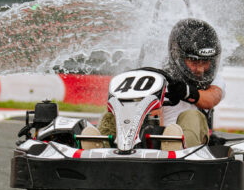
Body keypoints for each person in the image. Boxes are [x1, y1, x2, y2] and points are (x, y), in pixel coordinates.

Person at [83, 18, 225, 150]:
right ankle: (99, 146)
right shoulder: (159, 76)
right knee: (112, 116)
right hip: (154, 139)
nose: (200, 69)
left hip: (188, 143)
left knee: (192, 115)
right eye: (194, 62)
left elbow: (212, 98)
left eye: (205, 62)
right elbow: (154, 116)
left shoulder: (214, 80)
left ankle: (176, 146)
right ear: (178, 57)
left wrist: (186, 92)